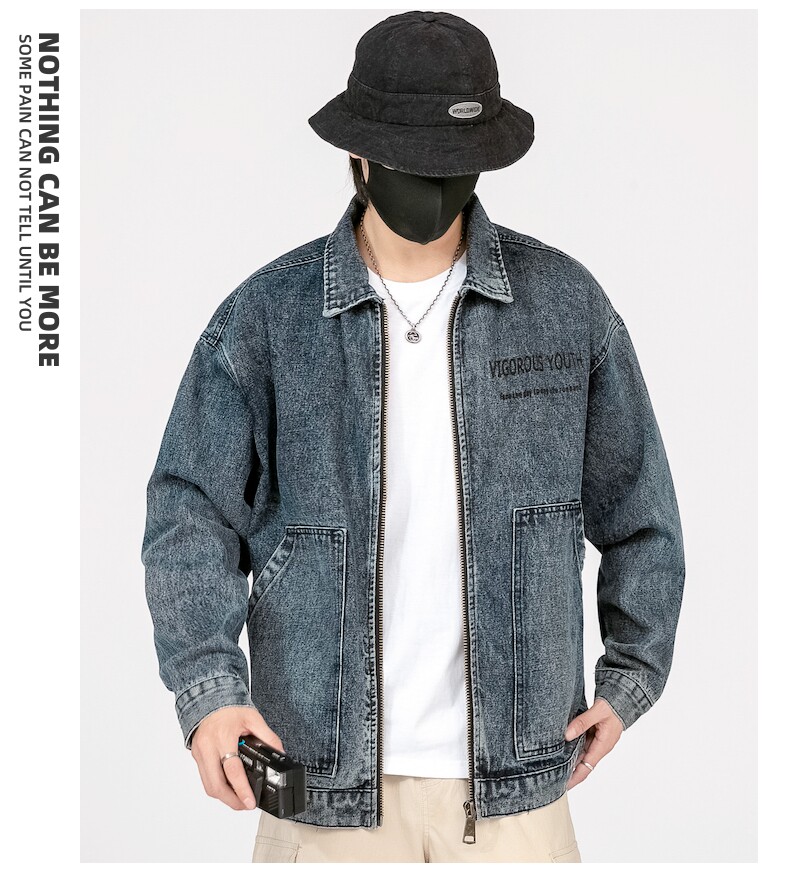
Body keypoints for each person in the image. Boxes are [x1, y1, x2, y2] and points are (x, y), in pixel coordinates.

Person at [141, 10, 685, 864]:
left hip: (516, 792)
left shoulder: (565, 306)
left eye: (454, 161)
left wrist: (630, 678)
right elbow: (189, 512)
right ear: (357, 155)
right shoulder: (268, 318)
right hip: (318, 785)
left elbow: (641, 512)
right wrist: (208, 688)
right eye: (410, 160)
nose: (432, 185)